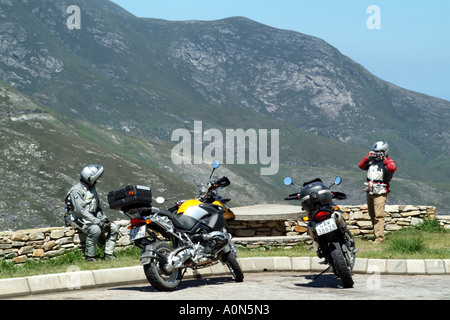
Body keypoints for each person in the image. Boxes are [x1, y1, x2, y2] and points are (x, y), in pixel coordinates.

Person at [65, 165, 118, 261]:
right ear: (90, 178)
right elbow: (80, 211)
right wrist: (97, 221)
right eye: (96, 178)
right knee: (95, 230)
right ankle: (90, 256)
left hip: (91, 217)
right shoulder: (76, 190)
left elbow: (96, 207)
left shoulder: (92, 188)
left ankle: (108, 254)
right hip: (76, 218)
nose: (98, 180)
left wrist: (103, 218)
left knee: (114, 227)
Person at [359, 141, 397, 243]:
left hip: (380, 192)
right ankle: (376, 235)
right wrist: (368, 157)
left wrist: (384, 159)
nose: (376, 154)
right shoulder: (371, 162)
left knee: (379, 215)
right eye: (375, 152)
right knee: (372, 214)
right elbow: (361, 165)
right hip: (370, 191)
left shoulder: (389, 162)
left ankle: (379, 238)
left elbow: (392, 168)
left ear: (385, 152)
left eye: (379, 152)